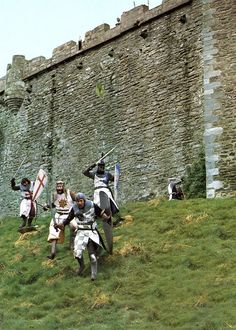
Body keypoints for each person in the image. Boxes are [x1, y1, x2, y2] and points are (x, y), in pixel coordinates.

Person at [55, 192, 108, 281]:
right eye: (77, 201)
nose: (79, 203)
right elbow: (68, 219)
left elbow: (101, 213)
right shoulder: (74, 208)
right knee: (77, 253)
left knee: (93, 257)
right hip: (81, 233)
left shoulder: (91, 205)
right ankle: (81, 266)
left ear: (84, 200)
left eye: (81, 201)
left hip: (91, 232)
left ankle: (93, 275)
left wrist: (105, 216)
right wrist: (61, 224)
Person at [83, 159, 119, 253]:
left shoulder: (107, 174)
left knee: (107, 204)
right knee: (97, 207)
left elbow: (114, 179)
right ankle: (102, 217)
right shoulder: (94, 174)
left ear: (104, 167)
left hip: (105, 190)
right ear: (98, 166)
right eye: (100, 166)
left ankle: (109, 219)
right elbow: (85, 172)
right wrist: (91, 166)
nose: (101, 168)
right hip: (97, 192)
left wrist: (116, 176)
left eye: (102, 166)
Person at [45, 181, 77, 259]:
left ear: (63, 186)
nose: (59, 188)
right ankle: (53, 252)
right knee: (53, 229)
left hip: (69, 215)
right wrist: (46, 206)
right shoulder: (55, 195)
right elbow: (53, 204)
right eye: (58, 187)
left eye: (60, 186)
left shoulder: (69, 193)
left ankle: (72, 246)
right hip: (58, 215)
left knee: (74, 227)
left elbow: (78, 199)